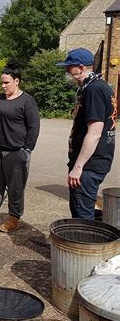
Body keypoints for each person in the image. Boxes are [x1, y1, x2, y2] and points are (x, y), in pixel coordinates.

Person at [56, 48, 116, 220]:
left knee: (82, 215)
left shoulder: (94, 90)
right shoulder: (100, 86)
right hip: (95, 162)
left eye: (69, 68)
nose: (67, 71)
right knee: (85, 209)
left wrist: (78, 167)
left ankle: (85, 245)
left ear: (81, 68)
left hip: (89, 165)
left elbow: (95, 133)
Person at [0, 63, 40, 232]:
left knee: (15, 187)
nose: (3, 86)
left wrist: (27, 149)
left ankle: (14, 217)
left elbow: (34, 127)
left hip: (16, 151)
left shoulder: (27, 101)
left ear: (16, 81)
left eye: (6, 82)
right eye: (2, 82)